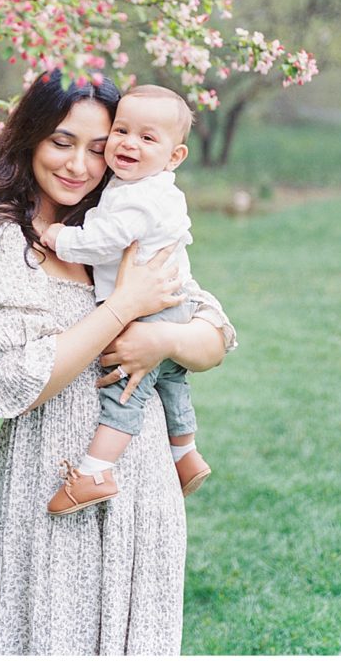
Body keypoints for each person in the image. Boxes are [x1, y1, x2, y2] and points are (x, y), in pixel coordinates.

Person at [0, 71, 237, 656]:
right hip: (49, 478)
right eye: (61, 141)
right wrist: (123, 309)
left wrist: (165, 343)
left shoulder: (125, 227)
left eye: (99, 148)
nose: (80, 164)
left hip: (140, 475)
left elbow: (215, 338)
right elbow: (11, 385)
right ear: (28, 139)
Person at [39, 84, 211, 515]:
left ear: (175, 156)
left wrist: (60, 237)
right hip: (172, 304)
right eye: (121, 131)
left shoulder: (140, 196)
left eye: (148, 138)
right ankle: (185, 453)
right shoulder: (140, 186)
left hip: (153, 311)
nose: (129, 143)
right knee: (171, 380)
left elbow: (103, 241)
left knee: (125, 388)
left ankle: (97, 470)